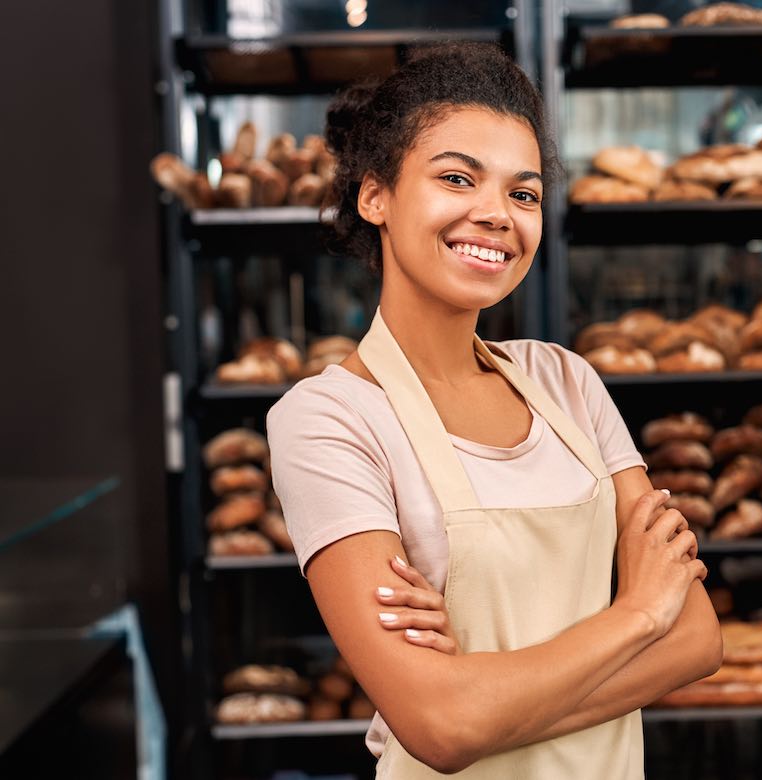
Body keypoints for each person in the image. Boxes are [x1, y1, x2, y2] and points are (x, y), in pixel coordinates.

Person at [266, 43, 722, 778]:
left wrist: (482, 700)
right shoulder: (327, 420)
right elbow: (441, 726)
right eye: (456, 178)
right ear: (374, 194)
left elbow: (698, 640)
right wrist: (638, 615)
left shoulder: (567, 382)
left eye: (524, 193)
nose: (496, 215)